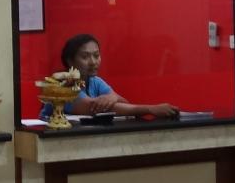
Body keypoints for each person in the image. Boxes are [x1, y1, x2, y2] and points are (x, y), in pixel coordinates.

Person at [41, 33, 179, 120]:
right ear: (70, 61)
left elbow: (125, 104)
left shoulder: (95, 81)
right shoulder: (62, 84)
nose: (93, 62)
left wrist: (113, 97)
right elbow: (93, 107)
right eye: (85, 57)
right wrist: (150, 109)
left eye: (96, 55)